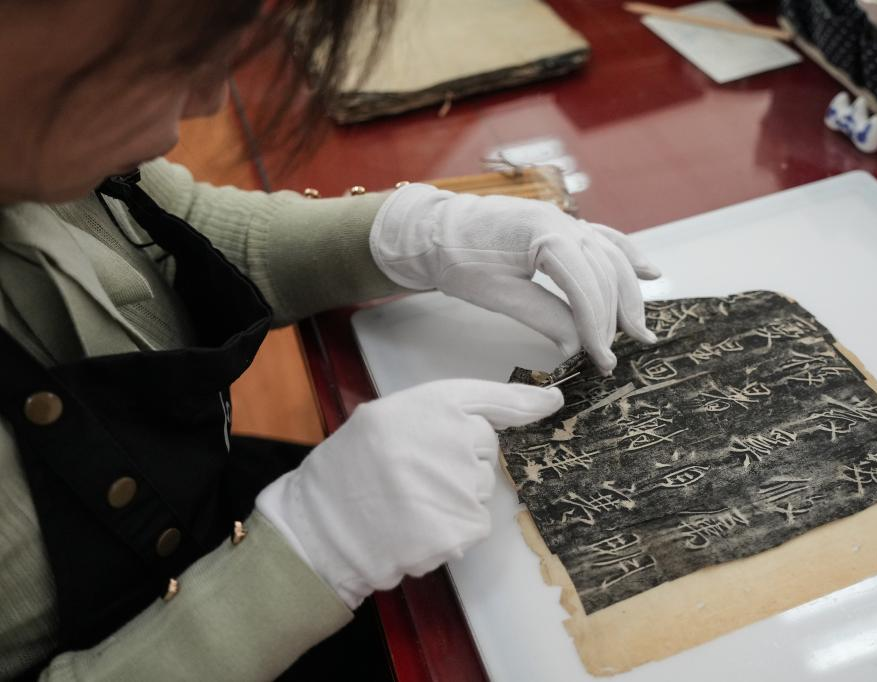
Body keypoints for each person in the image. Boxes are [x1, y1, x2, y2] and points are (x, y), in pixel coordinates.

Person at [0, 1, 660, 679]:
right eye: (165, 57)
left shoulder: (42, 140)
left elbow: (181, 218)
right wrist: (308, 554)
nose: (204, 103)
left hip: (208, 499)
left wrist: (408, 233)